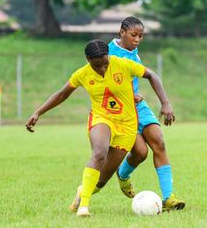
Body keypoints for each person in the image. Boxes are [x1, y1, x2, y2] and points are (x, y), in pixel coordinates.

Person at [26, 39, 175, 217]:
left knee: (101, 181)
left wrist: (165, 103)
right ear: (88, 60)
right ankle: (84, 208)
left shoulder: (123, 64)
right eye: (97, 65)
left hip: (127, 126)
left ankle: (83, 191)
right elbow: (62, 94)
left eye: (105, 63)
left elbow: (152, 76)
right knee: (99, 152)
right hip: (101, 118)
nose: (103, 68)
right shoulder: (82, 74)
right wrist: (38, 112)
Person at [70, 17, 185, 212]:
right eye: (134, 35)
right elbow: (104, 86)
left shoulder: (132, 51)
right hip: (119, 112)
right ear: (121, 32)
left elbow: (144, 75)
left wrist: (165, 103)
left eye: (141, 36)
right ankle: (119, 177)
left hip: (138, 107)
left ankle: (168, 198)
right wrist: (129, 94)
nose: (138, 39)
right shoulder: (106, 53)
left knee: (159, 141)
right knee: (140, 153)